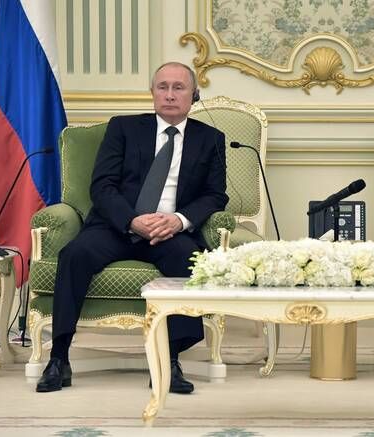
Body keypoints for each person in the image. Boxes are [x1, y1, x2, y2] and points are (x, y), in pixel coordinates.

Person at [36, 62, 229, 394]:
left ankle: (169, 362)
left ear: (194, 95)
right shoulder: (123, 128)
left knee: (190, 260)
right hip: (117, 226)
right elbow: (102, 186)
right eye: (162, 87)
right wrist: (131, 220)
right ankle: (59, 358)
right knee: (74, 254)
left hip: (170, 232)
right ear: (152, 92)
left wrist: (179, 220)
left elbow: (215, 194)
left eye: (179, 88)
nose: (170, 95)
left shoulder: (210, 139)